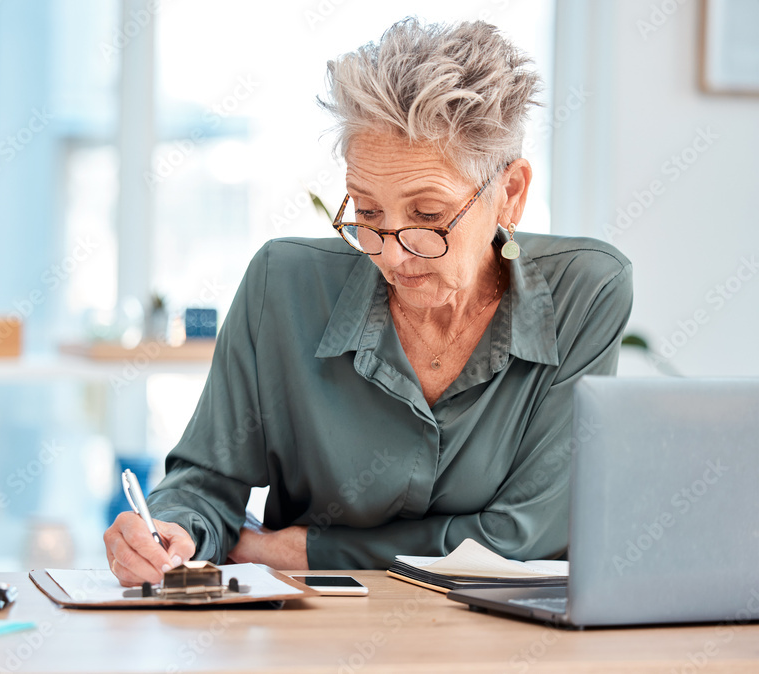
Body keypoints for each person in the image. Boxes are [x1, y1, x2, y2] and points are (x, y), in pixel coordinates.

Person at [104, 18, 633, 586]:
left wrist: (304, 550)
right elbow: (206, 483)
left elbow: (523, 537)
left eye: (429, 217)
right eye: (368, 214)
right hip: (313, 635)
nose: (393, 255)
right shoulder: (281, 285)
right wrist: (174, 528)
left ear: (510, 193)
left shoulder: (586, 290)